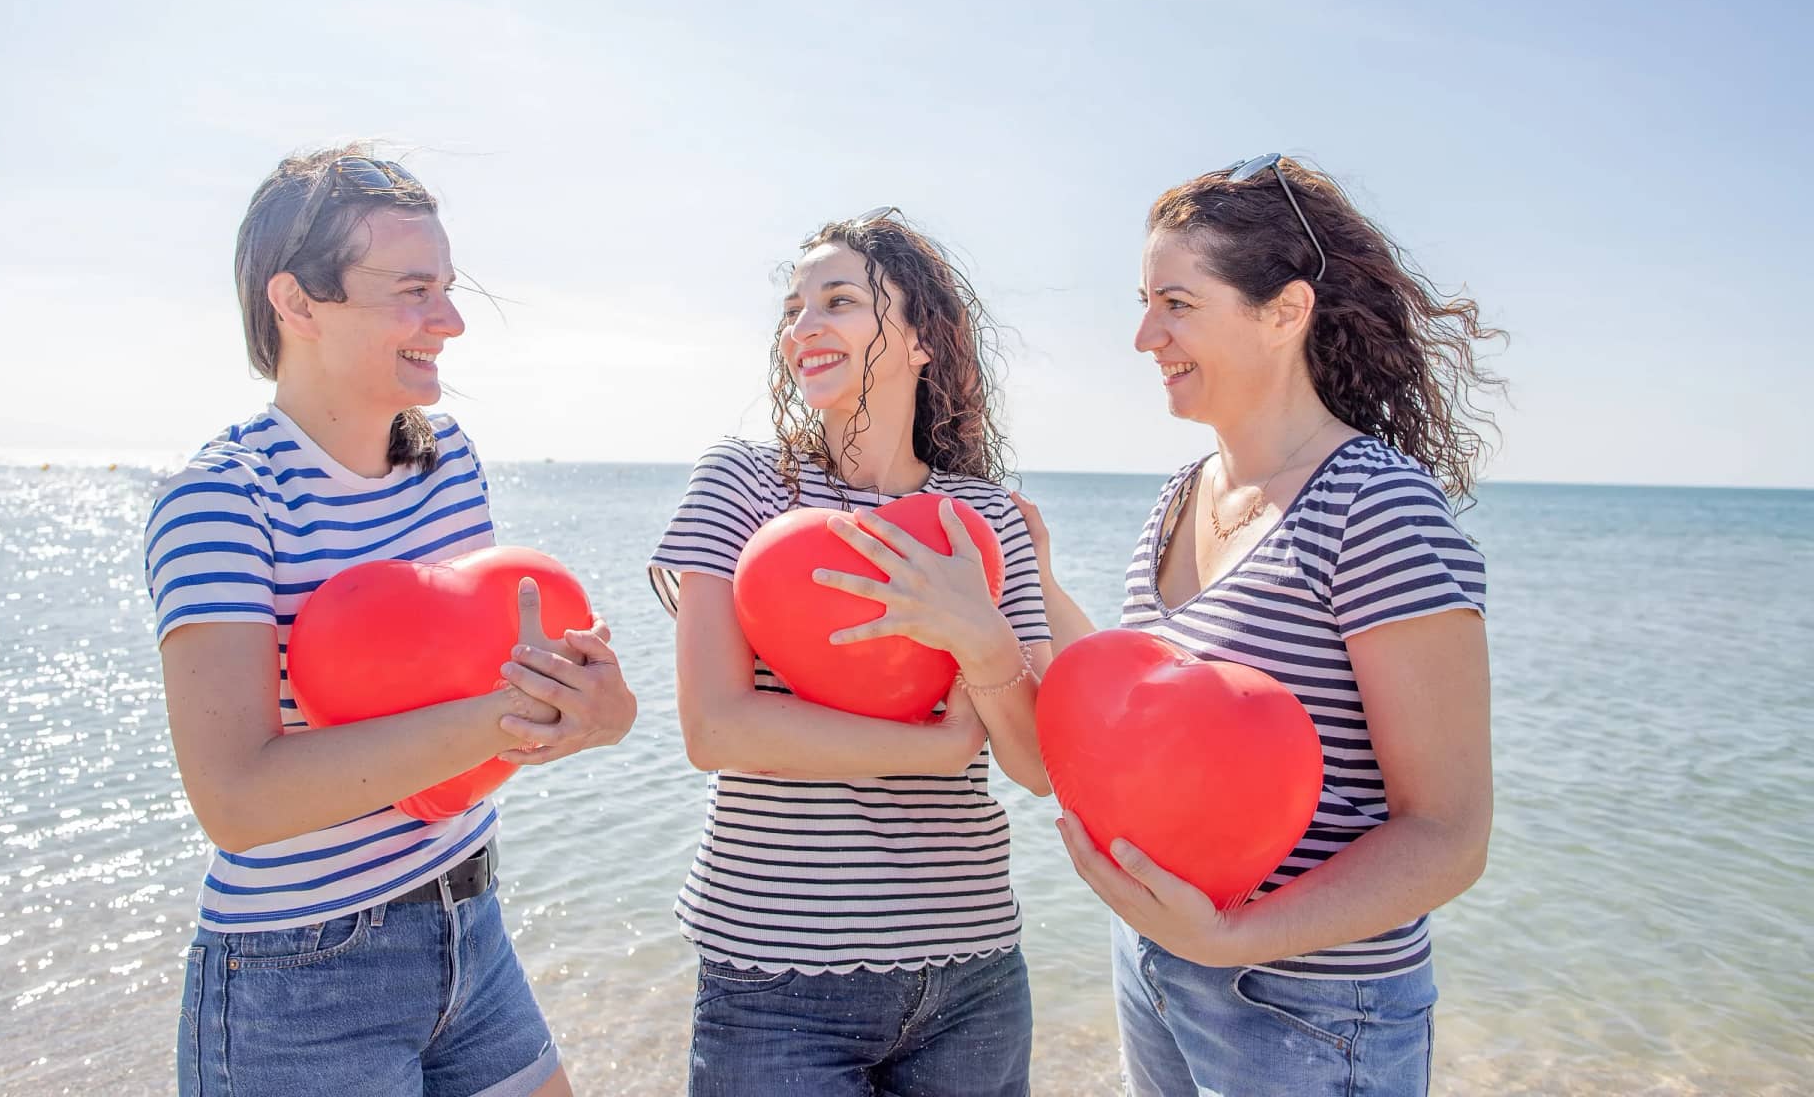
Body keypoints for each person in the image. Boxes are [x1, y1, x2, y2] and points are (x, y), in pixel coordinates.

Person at [143, 145, 636, 1097]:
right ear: (296, 304)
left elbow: (461, 713)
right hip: (297, 980)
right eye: (413, 291)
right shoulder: (219, 499)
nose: (448, 322)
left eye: (448, 290)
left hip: (469, 922)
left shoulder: (449, 459)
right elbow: (237, 799)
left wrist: (590, 714)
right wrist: (513, 713)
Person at [1017, 155, 1502, 1096]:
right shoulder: (1178, 498)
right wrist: (1028, 579)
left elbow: (1449, 832)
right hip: (1155, 971)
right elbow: (1137, 705)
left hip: (1313, 1013)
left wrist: (1236, 935)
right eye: (1145, 302)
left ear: (1285, 313)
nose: (1143, 335)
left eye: (1177, 304)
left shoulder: (1376, 506)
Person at [647, 209, 1053, 1096]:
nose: (805, 327)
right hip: (773, 977)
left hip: (972, 970)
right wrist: (941, 747)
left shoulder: (980, 520)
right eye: (795, 309)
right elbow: (715, 728)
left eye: (838, 301)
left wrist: (980, 639)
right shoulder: (740, 482)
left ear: (920, 340)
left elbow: (1038, 763)